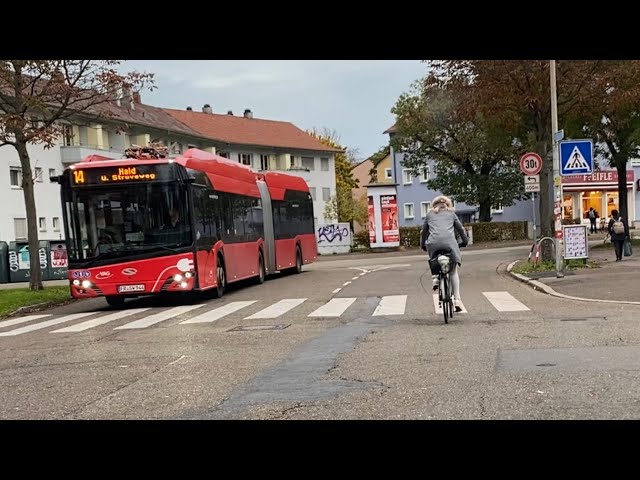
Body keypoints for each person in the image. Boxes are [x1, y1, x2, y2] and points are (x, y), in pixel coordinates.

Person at [420, 195, 468, 312]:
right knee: (453, 272)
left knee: (434, 257)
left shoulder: (429, 215)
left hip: (433, 244)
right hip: (449, 244)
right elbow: (460, 229)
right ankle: (457, 300)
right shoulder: (451, 214)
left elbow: (423, 232)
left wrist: (423, 244)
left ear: (434, 205)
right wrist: (464, 241)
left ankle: (435, 277)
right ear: (448, 204)